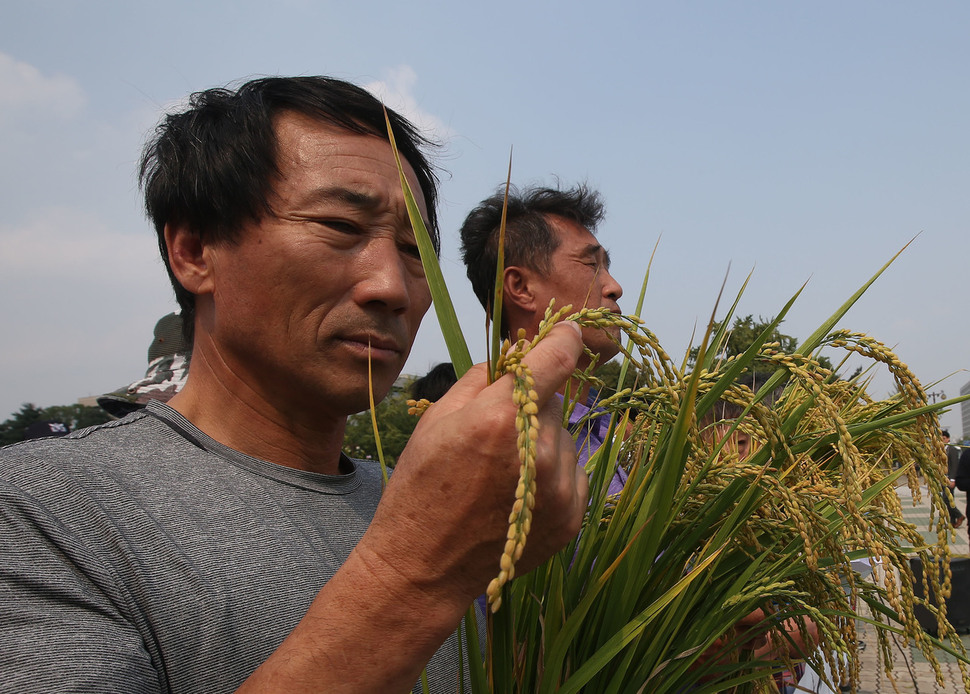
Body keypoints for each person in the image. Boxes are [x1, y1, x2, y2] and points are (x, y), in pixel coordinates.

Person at [0, 76, 590, 694]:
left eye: (415, 251)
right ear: (195, 249)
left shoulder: (472, 503)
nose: (391, 285)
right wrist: (415, 575)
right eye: (340, 226)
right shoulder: (39, 512)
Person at [459, 184, 628, 495]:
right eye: (591, 265)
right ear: (520, 287)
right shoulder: (499, 442)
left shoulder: (615, 428)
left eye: (607, 267)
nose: (614, 287)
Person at [942, 430, 965, 528]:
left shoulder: (952, 450)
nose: (942, 440)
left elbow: (955, 465)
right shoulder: (941, 450)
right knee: (949, 500)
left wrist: (952, 479)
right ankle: (952, 521)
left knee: (946, 499)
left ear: (948, 439)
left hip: (950, 479)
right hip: (943, 479)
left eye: (943, 439)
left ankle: (959, 515)